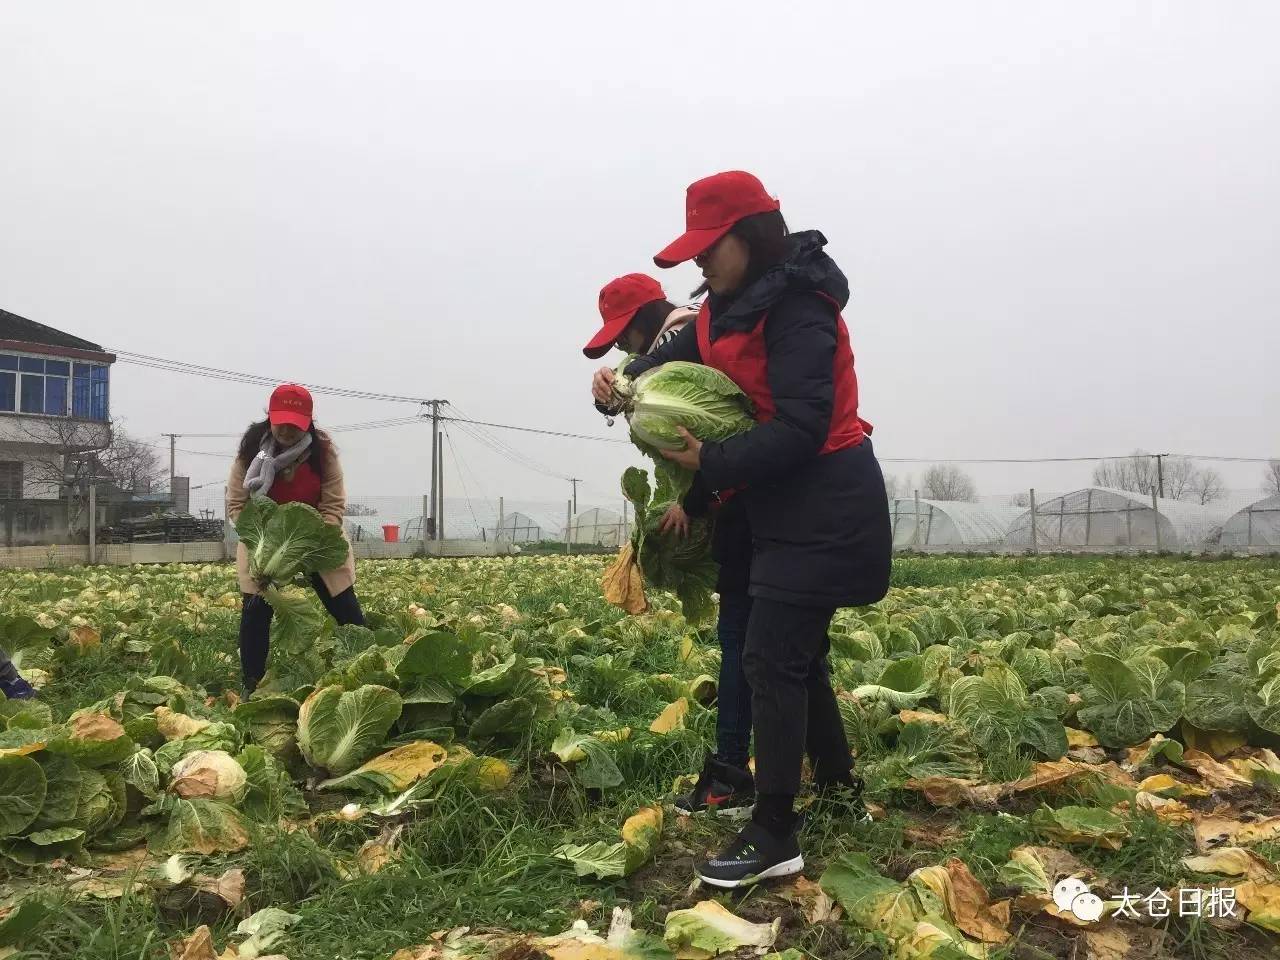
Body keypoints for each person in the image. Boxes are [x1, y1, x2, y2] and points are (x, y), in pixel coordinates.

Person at [591, 171, 892, 888]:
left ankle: (776, 828)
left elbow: (801, 426)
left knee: (768, 659)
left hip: (827, 498)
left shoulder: (798, 310)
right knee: (796, 657)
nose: (697, 263)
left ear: (752, 237)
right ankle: (841, 787)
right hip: (777, 503)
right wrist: (620, 383)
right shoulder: (720, 311)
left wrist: (711, 462)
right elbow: (667, 359)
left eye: (708, 246)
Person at [586, 274, 756, 814]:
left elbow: (726, 432)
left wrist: (698, 499)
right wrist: (612, 392)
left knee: (748, 641)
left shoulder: (689, 340)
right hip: (746, 500)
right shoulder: (679, 345)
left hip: (750, 505)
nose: (620, 349)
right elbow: (643, 393)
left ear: (642, 322)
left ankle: (733, 771)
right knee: (780, 647)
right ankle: (820, 770)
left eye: (621, 338)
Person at [226, 384, 365, 694]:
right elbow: (237, 505)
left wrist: (305, 542)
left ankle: (367, 665)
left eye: (295, 424)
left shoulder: (322, 453)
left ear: (308, 423)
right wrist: (265, 538)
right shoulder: (251, 453)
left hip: (317, 540)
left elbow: (332, 505)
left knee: (345, 607)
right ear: (270, 417)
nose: (287, 430)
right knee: (255, 613)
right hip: (263, 543)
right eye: (281, 422)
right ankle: (252, 683)